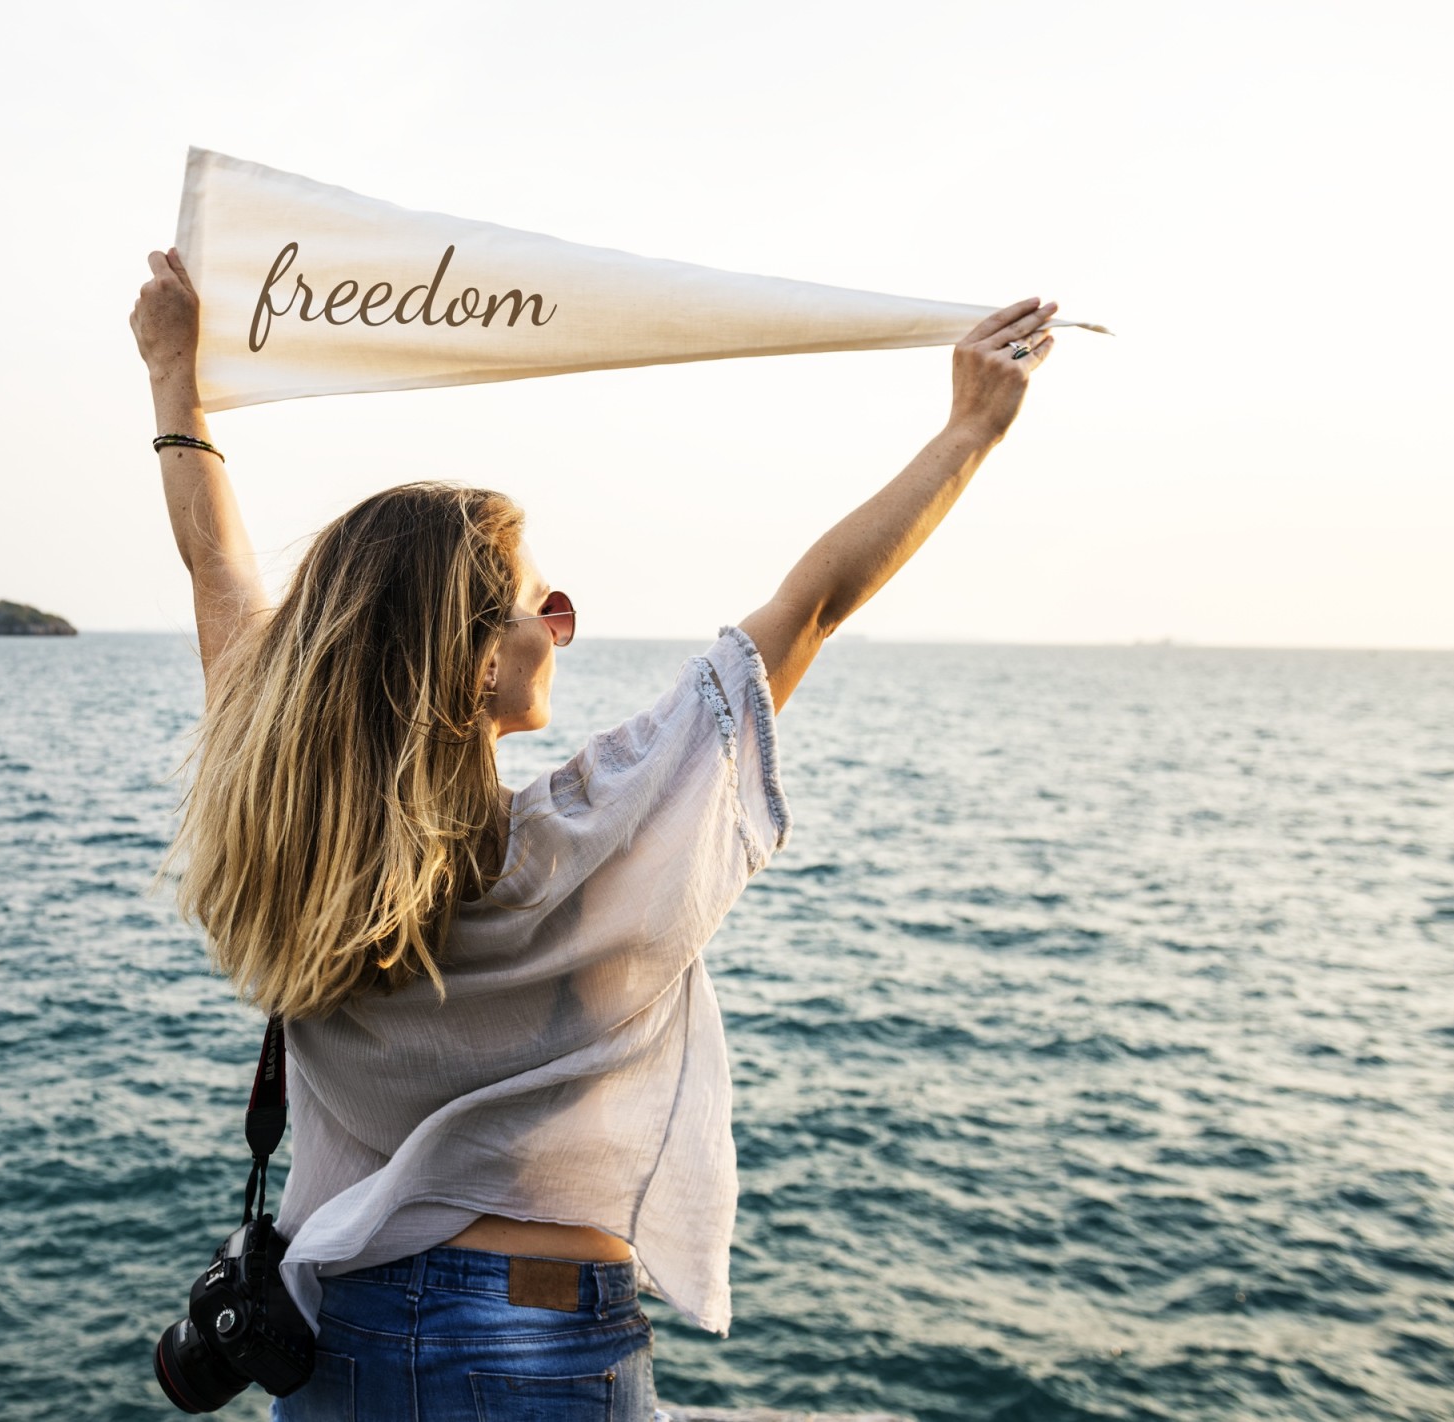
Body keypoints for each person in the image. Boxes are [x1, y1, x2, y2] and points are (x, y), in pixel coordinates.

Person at [131, 246, 1056, 1421]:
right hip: (541, 1338)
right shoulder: (590, 837)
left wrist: (173, 376)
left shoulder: (284, 842)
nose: (560, 627)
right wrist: (970, 429)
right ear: (476, 664)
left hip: (341, 1338)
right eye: (542, 605)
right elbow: (813, 602)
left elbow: (215, 565)